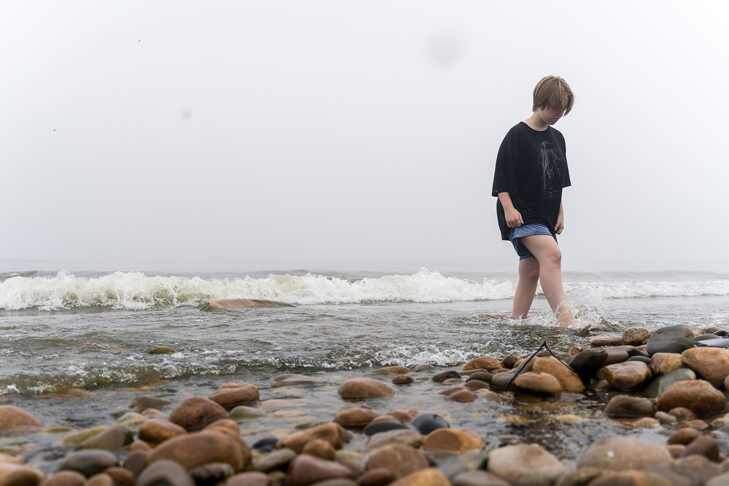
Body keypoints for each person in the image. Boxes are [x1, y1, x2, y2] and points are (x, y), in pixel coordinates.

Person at [491, 75, 575, 327]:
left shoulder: (558, 138)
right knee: (552, 255)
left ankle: (517, 321)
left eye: (562, 111)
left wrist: (560, 212)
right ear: (541, 102)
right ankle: (565, 319)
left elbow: (558, 180)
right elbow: (501, 178)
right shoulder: (517, 135)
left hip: (547, 214)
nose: (558, 114)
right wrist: (508, 209)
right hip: (521, 212)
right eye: (555, 108)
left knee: (530, 271)